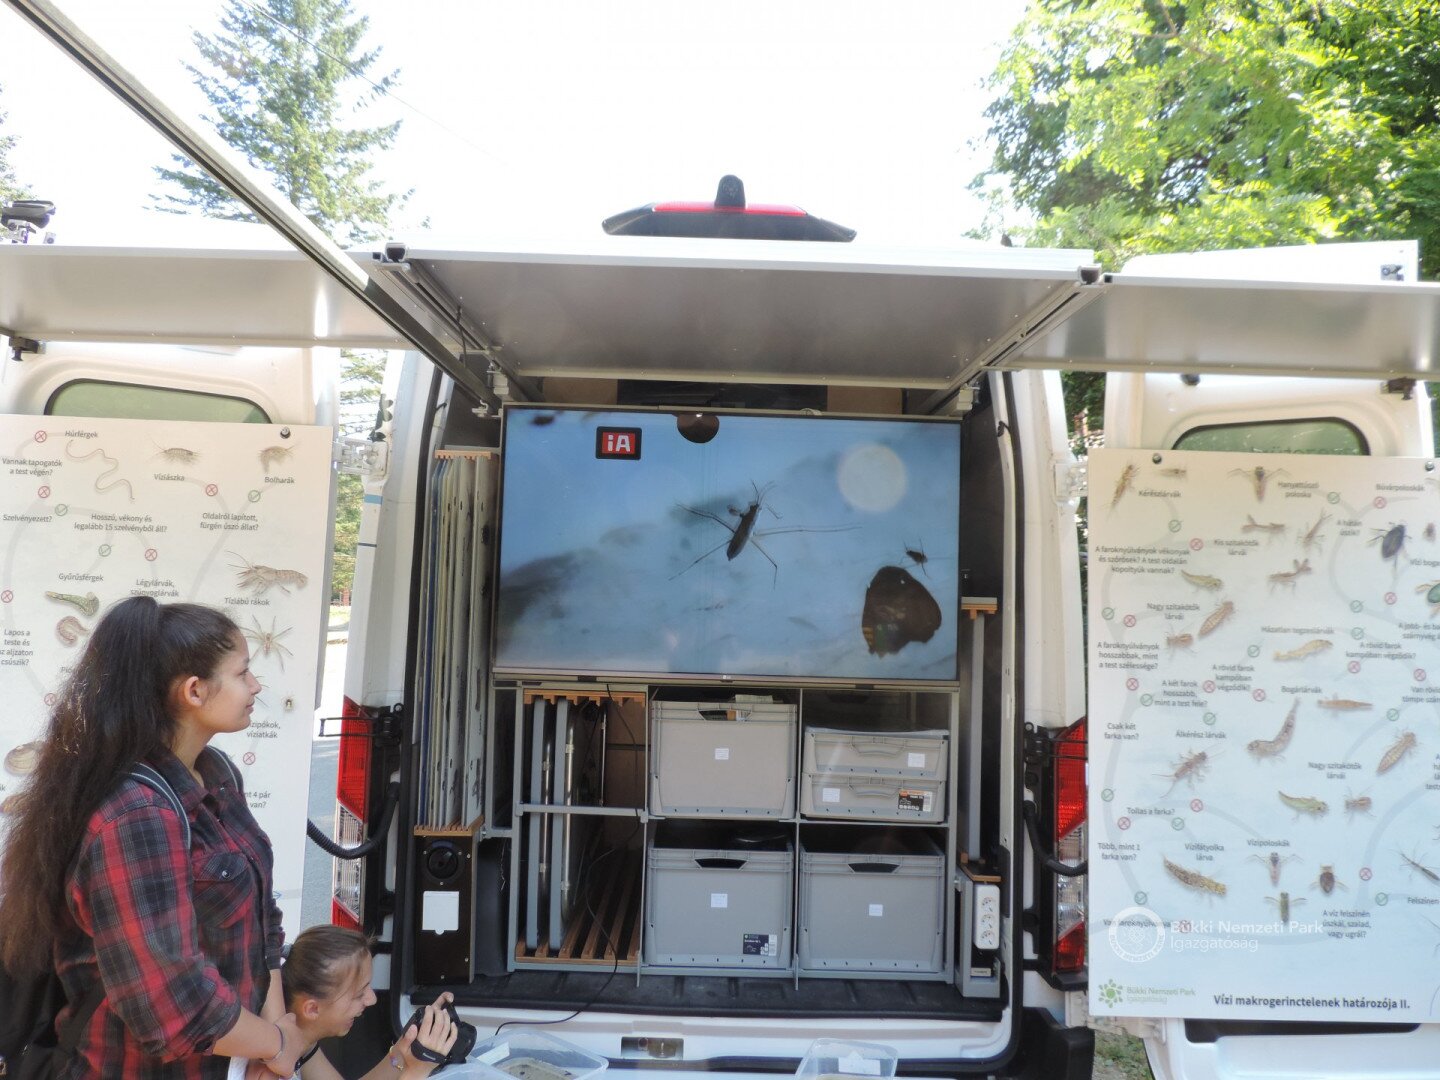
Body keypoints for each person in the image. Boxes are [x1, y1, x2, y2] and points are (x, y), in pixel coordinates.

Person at [0, 597, 304, 1078]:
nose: (256, 685)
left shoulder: (216, 773)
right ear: (194, 691)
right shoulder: (137, 814)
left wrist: (272, 1040)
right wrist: (279, 1044)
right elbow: (174, 1005)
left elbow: (262, 918)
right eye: (243, 672)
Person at [245, 925, 456, 1079]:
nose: (372, 999)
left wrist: (405, 1049)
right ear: (312, 1008)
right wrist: (418, 1071)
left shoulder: (301, 1043)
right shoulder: (271, 1070)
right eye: (359, 994)